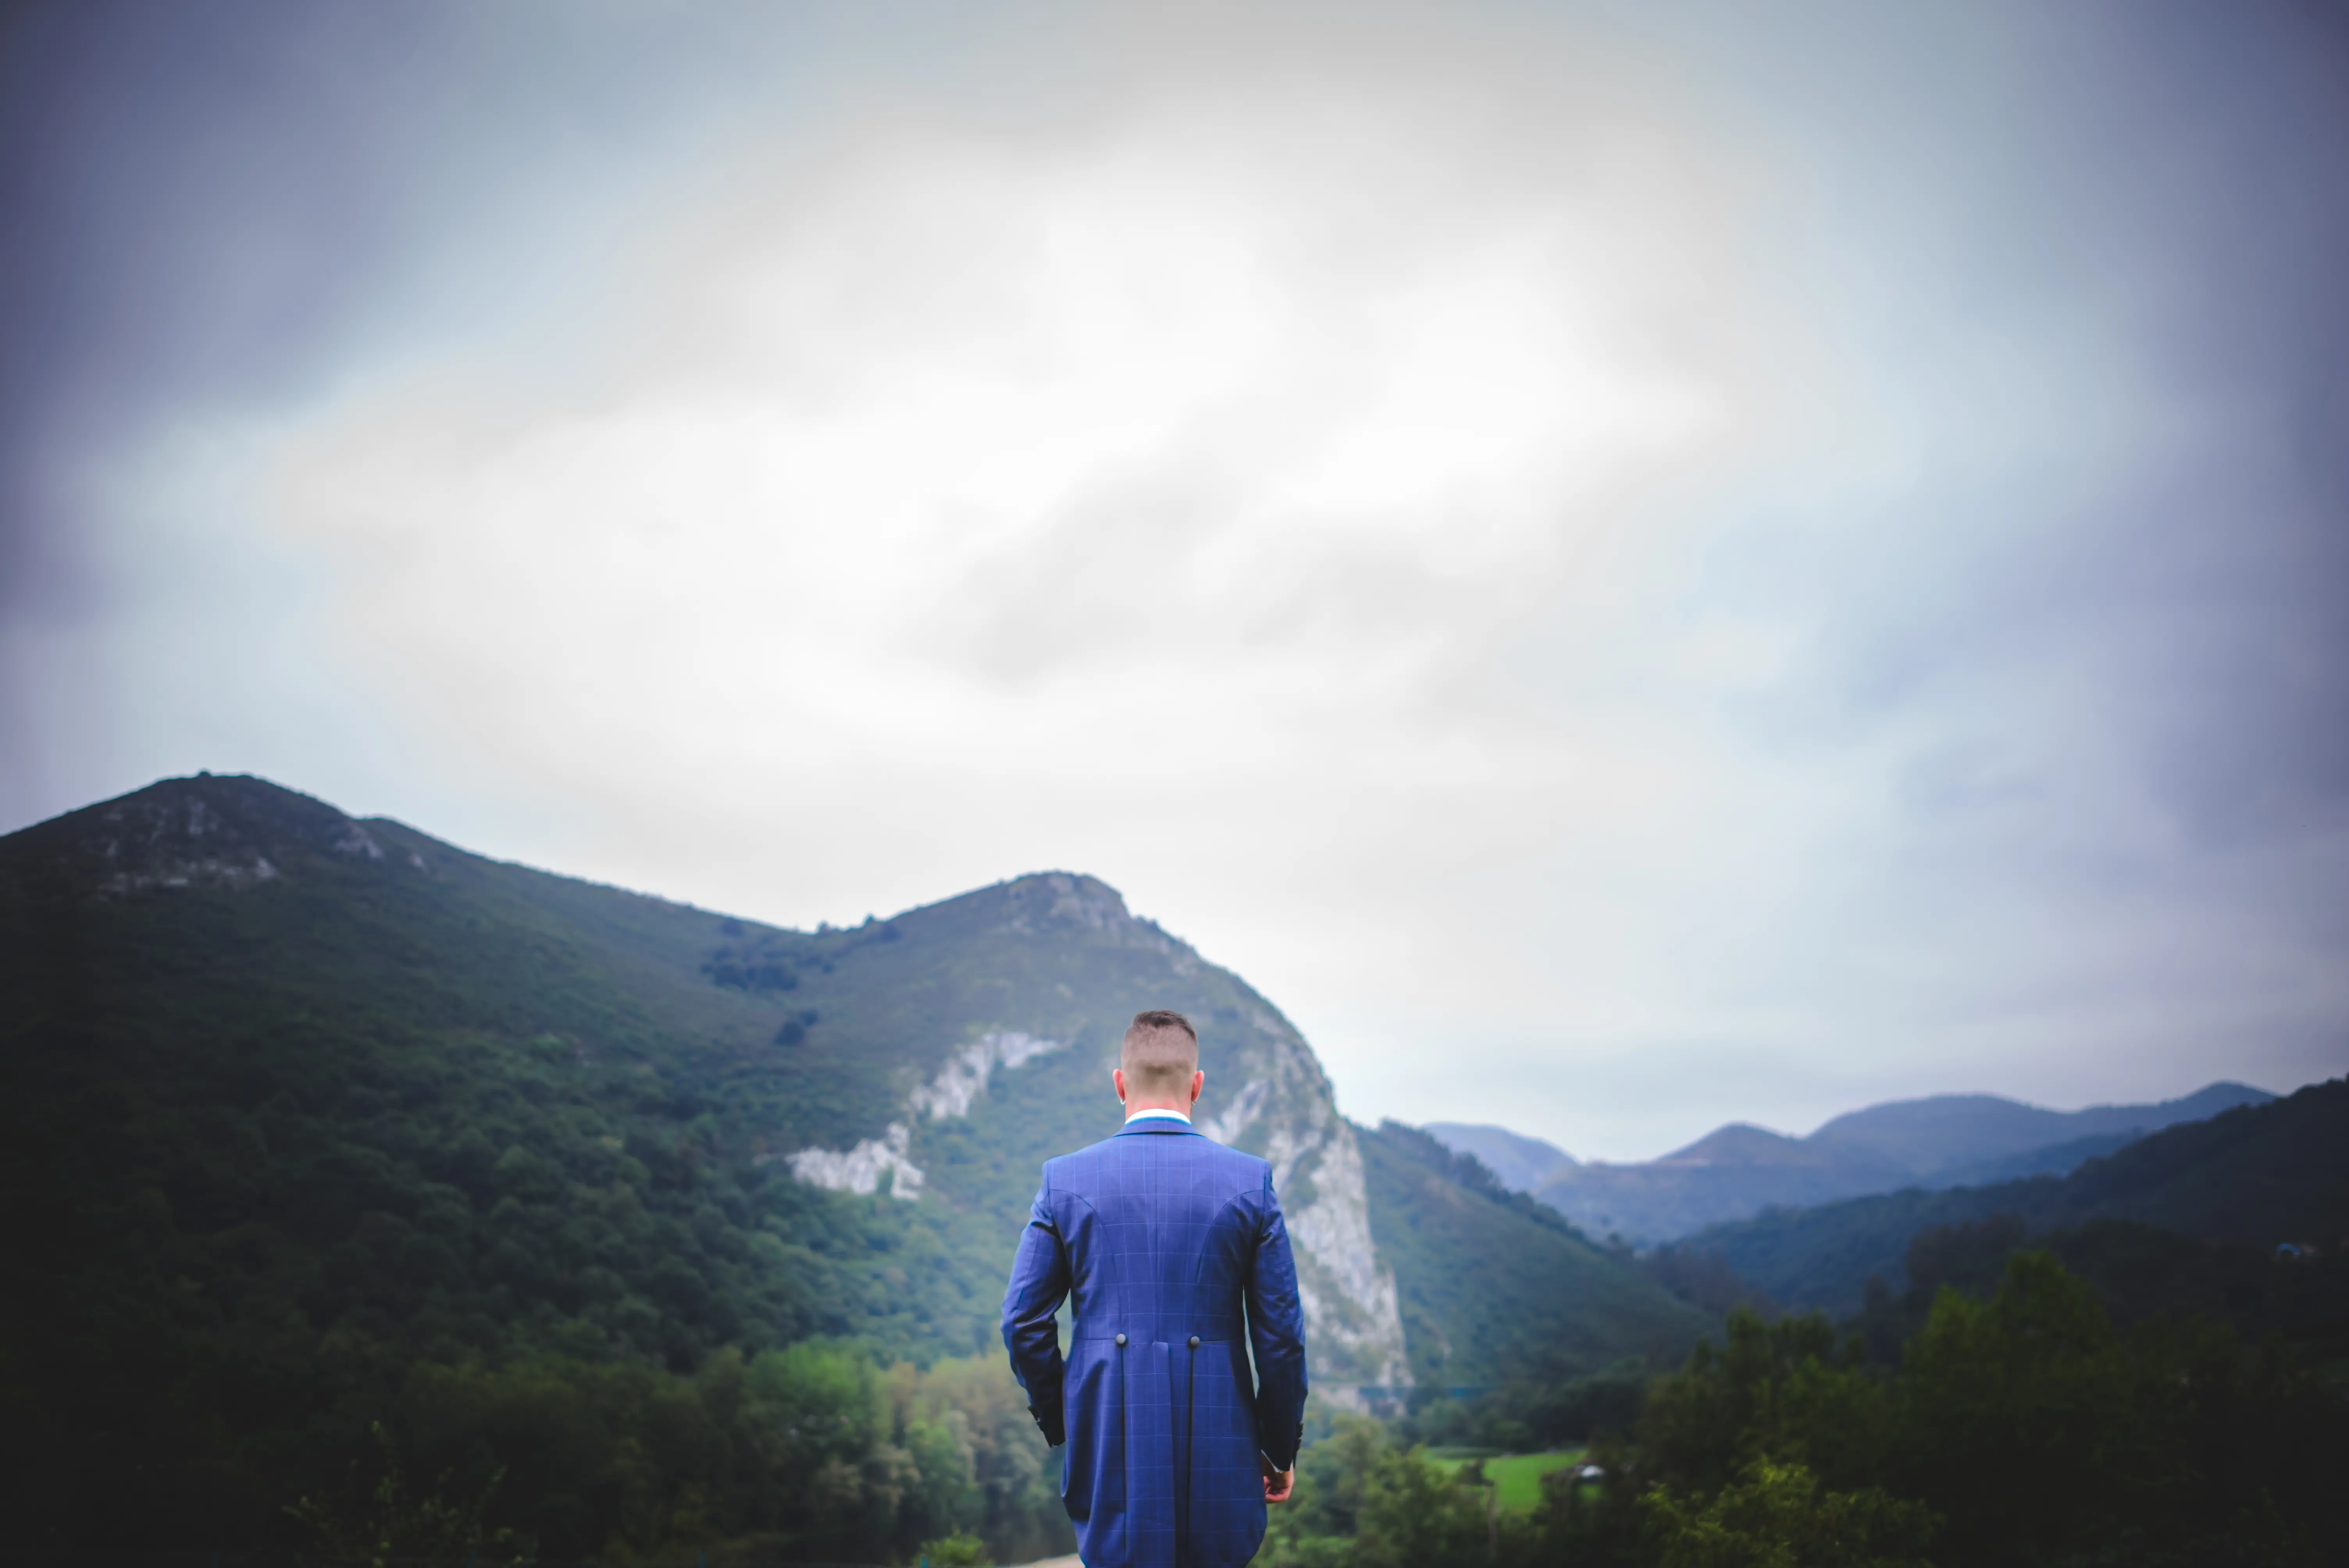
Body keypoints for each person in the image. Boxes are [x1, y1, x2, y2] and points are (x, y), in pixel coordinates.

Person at [1002, 1009, 1310, 1568]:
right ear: (1197, 1086)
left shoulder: (1064, 1180)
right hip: (1221, 1449)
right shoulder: (1250, 1182)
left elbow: (1021, 1323)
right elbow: (1282, 1341)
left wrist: (1066, 1419)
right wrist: (1279, 1448)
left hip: (1109, 1444)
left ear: (1120, 1085)